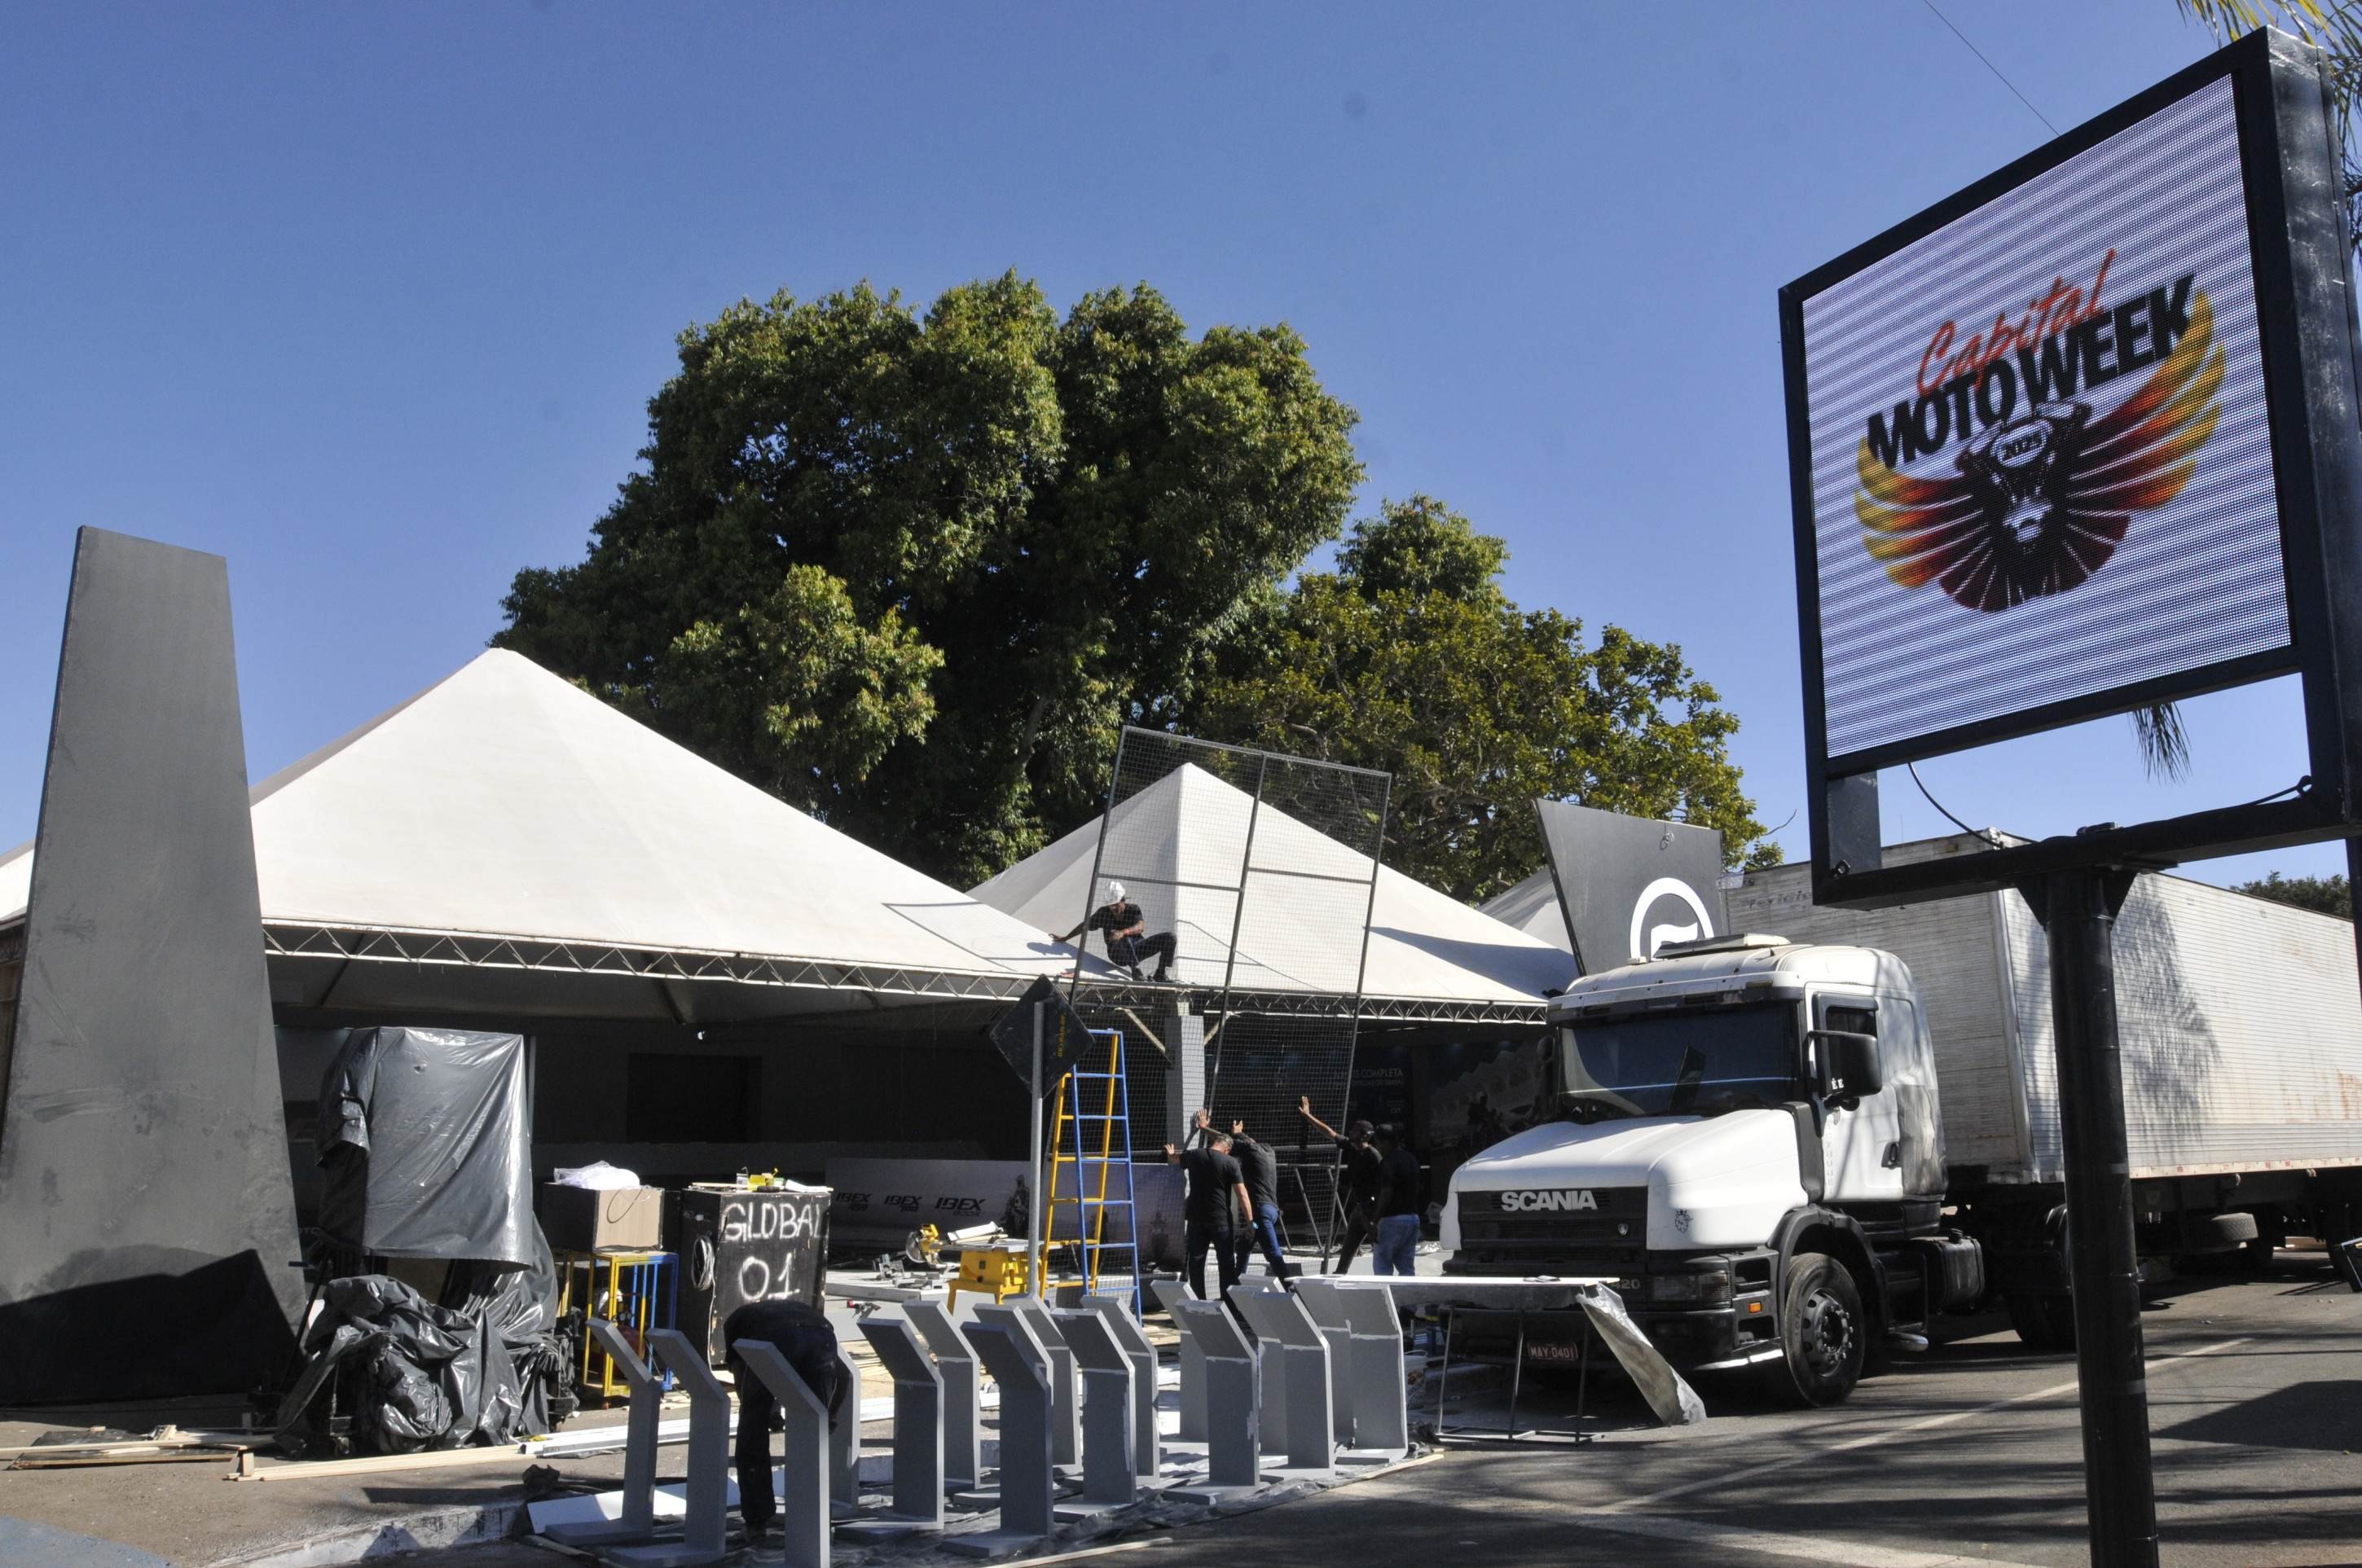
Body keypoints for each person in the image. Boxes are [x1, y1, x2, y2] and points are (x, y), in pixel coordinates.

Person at [723, 1298, 846, 1538]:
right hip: (822, 1337)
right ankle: (817, 1521)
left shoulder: (738, 1321)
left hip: (776, 1339)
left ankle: (756, 1524)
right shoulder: (807, 1317)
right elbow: (843, 1377)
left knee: (752, 1437)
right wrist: (830, 1415)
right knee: (814, 1437)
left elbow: (743, 1379)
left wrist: (762, 1412)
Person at [1299, 1096, 1383, 1274]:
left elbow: (1384, 1186)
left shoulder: (1373, 1156)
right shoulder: (1351, 1147)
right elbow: (1329, 1133)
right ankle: (1338, 1276)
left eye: (1355, 1130)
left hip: (1372, 1211)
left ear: (1365, 1136)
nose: (1351, 1132)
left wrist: (1376, 1219)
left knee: (1382, 1253)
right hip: (1360, 1210)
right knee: (1347, 1252)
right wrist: (1308, 1116)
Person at [1165, 1126, 1251, 1299]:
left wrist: (1171, 1153)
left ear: (1215, 1143)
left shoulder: (1195, 1155)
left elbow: (1175, 1159)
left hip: (1196, 1218)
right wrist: (1250, 1221)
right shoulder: (1230, 1162)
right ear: (1227, 1149)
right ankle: (1229, 1304)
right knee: (1226, 1263)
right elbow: (1242, 1193)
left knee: (1197, 1262)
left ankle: (1200, 1302)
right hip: (1221, 1219)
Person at [1055, 881, 1177, 982]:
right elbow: (1084, 926)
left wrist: (1123, 932)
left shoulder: (1133, 909)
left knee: (1170, 937)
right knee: (1121, 937)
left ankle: (1160, 974)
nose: (1113, 908)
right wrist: (1066, 938)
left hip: (1138, 949)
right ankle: (1136, 972)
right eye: (1110, 905)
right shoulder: (1103, 913)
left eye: (1115, 904)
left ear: (1123, 900)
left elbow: (1141, 927)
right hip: (1118, 953)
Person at [1226, 1119, 1291, 1280]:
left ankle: (1291, 1290)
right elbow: (1250, 1142)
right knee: (1244, 1246)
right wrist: (1239, 1134)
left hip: (1261, 1214)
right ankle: (1236, 1286)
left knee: (1273, 1253)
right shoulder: (1268, 1153)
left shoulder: (1252, 1152)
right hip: (1265, 1213)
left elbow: (1224, 1140)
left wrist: (1206, 1129)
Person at [1370, 1125, 1424, 1277]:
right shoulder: (1410, 1159)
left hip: (1392, 1220)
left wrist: (1374, 1221)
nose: (1377, 1148)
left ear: (1385, 1143)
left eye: (1378, 1143)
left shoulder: (1387, 1162)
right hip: (1412, 1219)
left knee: (1382, 1265)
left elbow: (1386, 1193)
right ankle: (1407, 1301)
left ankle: (1385, 1300)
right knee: (1407, 1267)